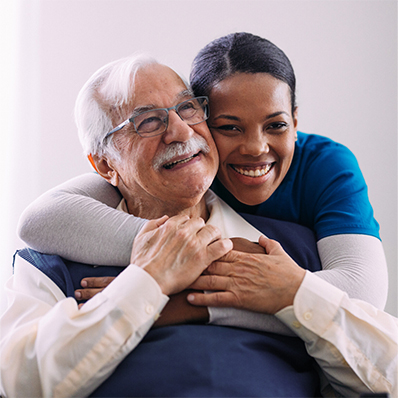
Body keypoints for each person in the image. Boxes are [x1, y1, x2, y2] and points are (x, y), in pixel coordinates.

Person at [8, 51, 396, 395]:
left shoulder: (296, 252)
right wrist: (147, 282)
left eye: (188, 108)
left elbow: (387, 373)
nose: (181, 131)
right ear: (105, 165)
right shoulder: (51, 261)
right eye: (147, 122)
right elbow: (24, 383)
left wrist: (293, 295)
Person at [18, 33, 388, 313]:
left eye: (275, 126)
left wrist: (179, 303)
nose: (256, 147)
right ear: (205, 121)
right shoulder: (185, 165)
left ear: (294, 121)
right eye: (229, 127)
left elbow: (362, 292)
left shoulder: (325, 166)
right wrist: (176, 251)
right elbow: (40, 220)